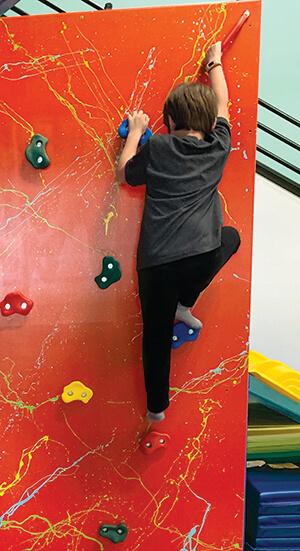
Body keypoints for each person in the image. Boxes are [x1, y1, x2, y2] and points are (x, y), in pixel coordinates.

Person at [116, 42, 240, 423]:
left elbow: (125, 173)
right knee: (230, 238)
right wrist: (214, 61)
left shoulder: (159, 149)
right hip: (199, 258)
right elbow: (223, 104)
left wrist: (136, 132)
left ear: (168, 121)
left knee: (155, 337)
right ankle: (186, 302)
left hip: (157, 263)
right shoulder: (218, 146)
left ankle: (156, 412)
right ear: (208, 122)